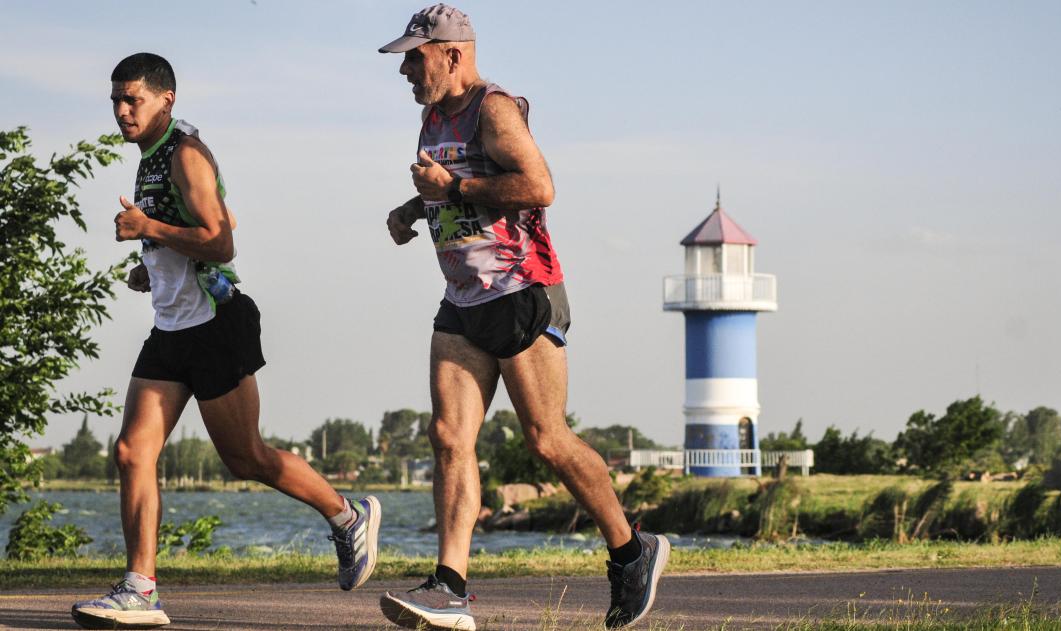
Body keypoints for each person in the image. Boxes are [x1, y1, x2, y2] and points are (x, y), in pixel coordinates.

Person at [375, 6, 669, 630]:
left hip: (521, 289)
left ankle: (630, 549)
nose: (404, 68)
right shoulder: (433, 117)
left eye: (414, 56)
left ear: (452, 54)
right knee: (449, 437)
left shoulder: (494, 108)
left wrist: (450, 191)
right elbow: (454, 179)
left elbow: (537, 186)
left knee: (547, 439)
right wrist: (411, 207)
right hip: (463, 298)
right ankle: (449, 588)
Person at [70, 52, 381, 629]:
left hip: (215, 325)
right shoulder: (154, 157)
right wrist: (154, 262)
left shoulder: (186, 153)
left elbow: (221, 242)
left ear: (166, 99)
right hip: (170, 329)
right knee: (130, 452)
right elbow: (219, 219)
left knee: (245, 458)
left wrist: (149, 229)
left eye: (132, 98)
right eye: (115, 99)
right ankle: (139, 589)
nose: (121, 110)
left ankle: (347, 514)